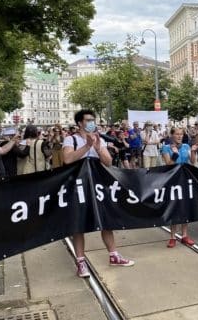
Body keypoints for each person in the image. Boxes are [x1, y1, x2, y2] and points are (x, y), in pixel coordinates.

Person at [63, 110, 134, 277]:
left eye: (93, 120)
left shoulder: (99, 139)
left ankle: (113, 255)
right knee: (78, 223)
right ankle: (80, 261)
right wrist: (86, 146)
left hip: (97, 184)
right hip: (79, 186)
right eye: (88, 120)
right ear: (80, 123)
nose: (91, 123)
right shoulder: (71, 139)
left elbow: (108, 162)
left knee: (105, 218)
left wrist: (96, 147)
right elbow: (67, 159)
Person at [161, 126, 198, 247]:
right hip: (173, 181)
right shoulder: (166, 148)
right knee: (174, 208)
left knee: (185, 208)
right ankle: (172, 237)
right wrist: (175, 155)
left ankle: (185, 235)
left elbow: (192, 162)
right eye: (176, 134)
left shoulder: (186, 146)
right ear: (172, 135)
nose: (179, 136)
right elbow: (168, 165)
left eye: (181, 134)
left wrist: (193, 151)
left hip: (185, 180)